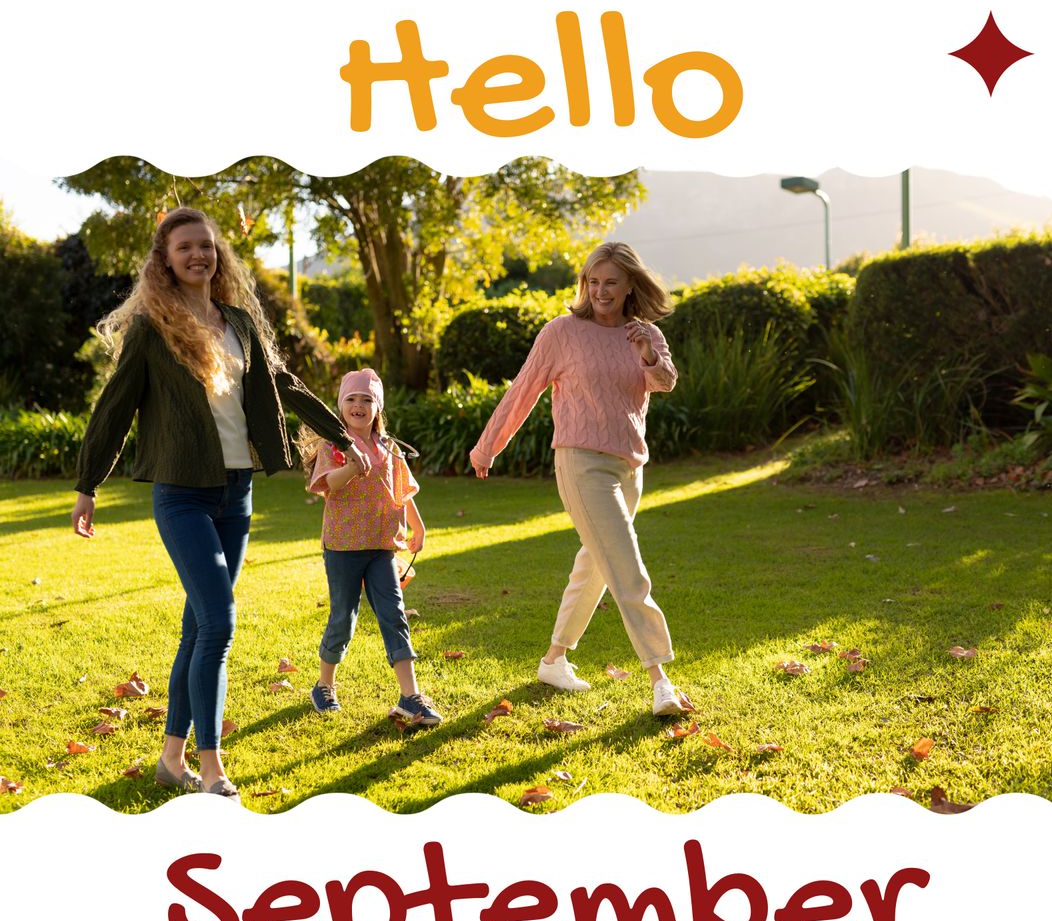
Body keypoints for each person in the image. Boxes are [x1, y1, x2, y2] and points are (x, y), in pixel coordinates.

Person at [70, 207, 371, 801]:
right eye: (184, 247)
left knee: (197, 628)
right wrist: (88, 485)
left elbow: (284, 386)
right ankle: (211, 769)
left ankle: (170, 759)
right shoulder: (153, 329)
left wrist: (342, 435)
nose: (197, 255)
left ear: (218, 255)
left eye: (205, 246)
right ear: (165, 259)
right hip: (181, 493)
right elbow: (113, 409)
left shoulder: (236, 321)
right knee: (219, 622)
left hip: (237, 494)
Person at [469, 241, 688, 716]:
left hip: (629, 466)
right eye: (593, 281)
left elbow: (665, 381)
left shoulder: (644, 332)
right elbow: (523, 390)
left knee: (595, 567)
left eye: (611, 282)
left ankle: (553, 660)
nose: (601, 290)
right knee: (627, 570)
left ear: (630, 284)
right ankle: (660, 679)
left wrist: (648, 352)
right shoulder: (562, 332)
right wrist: (488, 446)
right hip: (580, 463)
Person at [298, 368, 441, 725]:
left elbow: (402, 491)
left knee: (394, 615)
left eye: (367, 400)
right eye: (352, 399)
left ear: (377, 408)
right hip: (344, 547)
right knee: (342, 619)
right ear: (340, 406)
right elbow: (326, 483)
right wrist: (352, 467)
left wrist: (418, 526)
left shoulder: (388, 447)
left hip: (381, 547)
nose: (359, 406)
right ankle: (324, 685)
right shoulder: (335, 446)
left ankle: (411, 696)